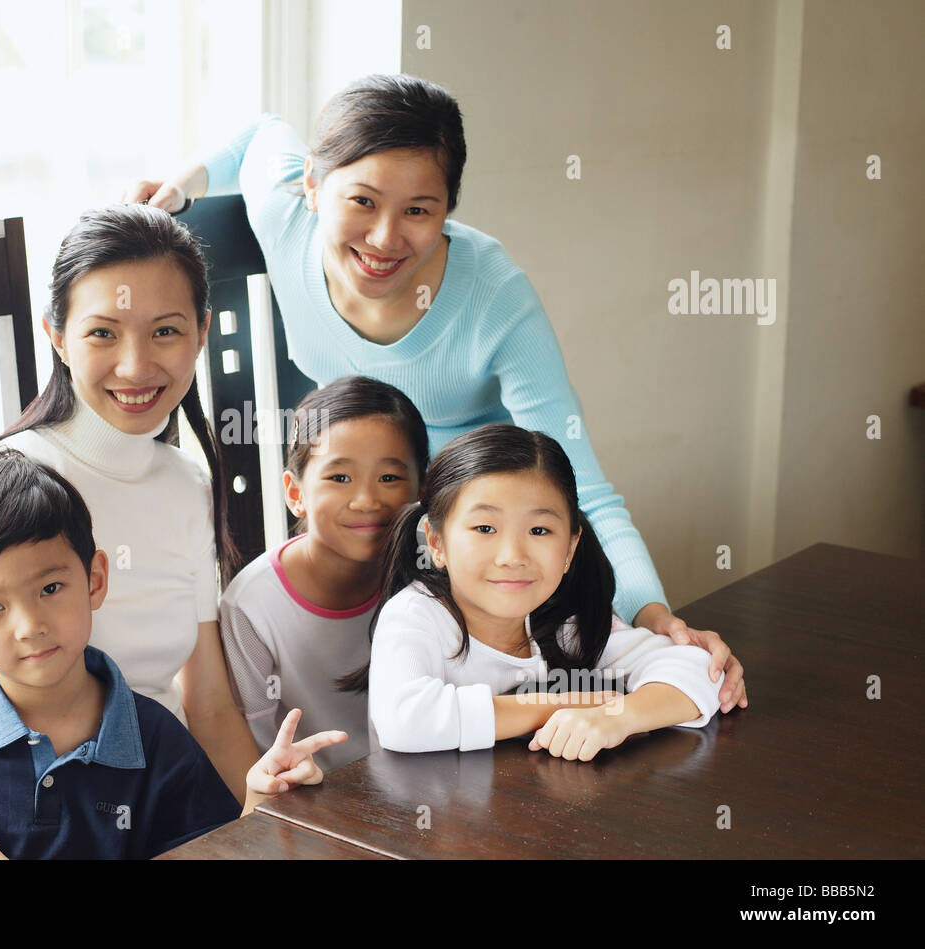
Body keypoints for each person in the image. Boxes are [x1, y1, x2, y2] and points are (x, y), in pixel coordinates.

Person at [125, 73, 746, 713]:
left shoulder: (496, 298)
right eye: (361, 201)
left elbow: (580, 487)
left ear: (448, 208)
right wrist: (184, 185)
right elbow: (259, 137)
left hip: (473, 546)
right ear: (312, 184)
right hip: (372, 513)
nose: (385, 238)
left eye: (418, 210)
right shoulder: (286, 218)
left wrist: (654, 613)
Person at [0, 204, 332, 860]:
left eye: (165, 331)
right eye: (103, 333)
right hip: (27, 817)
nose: (135, 365)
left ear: (202, 332)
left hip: (157, 805)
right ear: (58, 336)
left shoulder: (187, 480)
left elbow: (208, 704)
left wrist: (261, 819)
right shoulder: (8, 485)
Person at [0, 450, 241, 858]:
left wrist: (258, 799)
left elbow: (211, 849)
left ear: (95, 580)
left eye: (50, 589)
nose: (30, 627)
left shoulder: (157, 740)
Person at [361, 424, 723, 758]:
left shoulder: (565, 620)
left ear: (569, 548)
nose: (512, 557)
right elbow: (404, 719)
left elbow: (699, 668)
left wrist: (618, 717)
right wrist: (558, 706)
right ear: (436, 542)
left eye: (539, 531)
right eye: (485, 528)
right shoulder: (415, 615)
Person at [220, 376, 428, 772]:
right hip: (315, 802)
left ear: (423, 487)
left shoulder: (438, 577)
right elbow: (256, 743)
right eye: (339, 478)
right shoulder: (251, 606)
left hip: (428, 785)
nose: (367, 500)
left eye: (389, 478)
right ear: (295, 493)